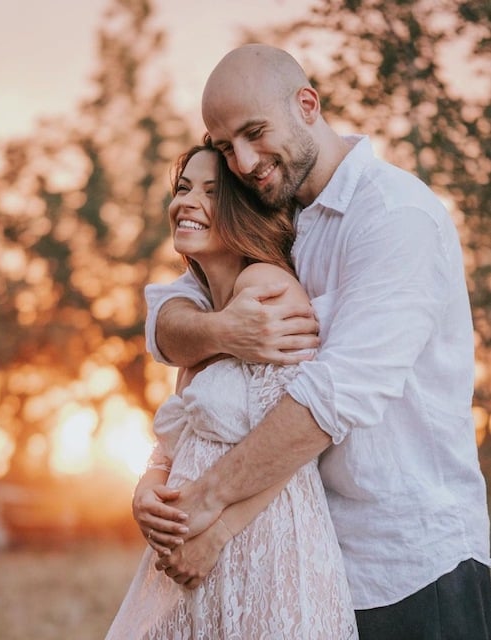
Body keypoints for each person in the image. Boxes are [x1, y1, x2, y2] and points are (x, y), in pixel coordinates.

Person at [144, 44, 491, 639]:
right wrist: (223, 329)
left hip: (413, 566)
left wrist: (210, 508)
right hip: (314, 567)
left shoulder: (393, 214)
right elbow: (166, 317)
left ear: (308, 104)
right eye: (226, 147)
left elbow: (336, 394)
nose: (246, 161)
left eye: (255, 133)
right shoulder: (271, 212)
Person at [105, 142, 358, 638]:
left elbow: (292, 443)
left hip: (264, 543)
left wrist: (216, 534)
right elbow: (179, 438)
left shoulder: (264, 284)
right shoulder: (201, 312)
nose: (187, 201)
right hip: (203, 548)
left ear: (243, 209)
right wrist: (148, 487)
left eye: (211, 191)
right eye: (182, 189)